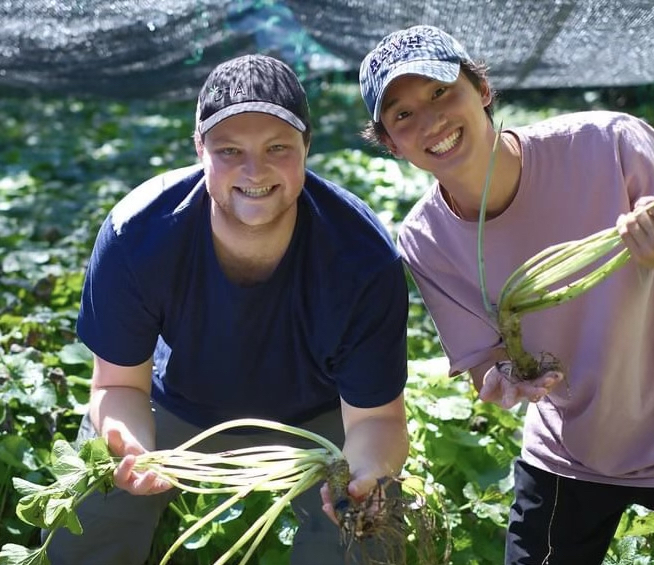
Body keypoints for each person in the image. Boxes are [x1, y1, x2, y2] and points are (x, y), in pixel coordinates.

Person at [358, 24, 654, 565]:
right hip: (572, 447)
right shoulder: (426, 238)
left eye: (440, 91)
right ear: (389, 142)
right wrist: (502, 381)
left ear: (480, 91)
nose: (430, 120)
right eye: (402, 114)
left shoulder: (609, 143)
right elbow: (484, 363)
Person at [46, 53, 410, 565]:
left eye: (277, 147)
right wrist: (131, 449)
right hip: (175, 408)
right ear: (200, 150)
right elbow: (117, 387)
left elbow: (378, 420)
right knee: (95, 504)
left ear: (307, 146)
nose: (254, 170)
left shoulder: (362, 256)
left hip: (319, 423)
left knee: (364, 523)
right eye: (230, 149)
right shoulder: (137, 235)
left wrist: (364, 475)